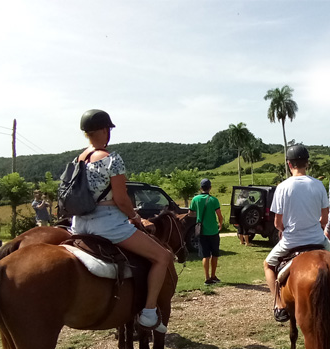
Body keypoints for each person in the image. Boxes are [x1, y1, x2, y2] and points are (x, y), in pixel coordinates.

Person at [69, 109, 173, 333]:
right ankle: (148, 313)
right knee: (162, 256)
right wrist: (137, 219)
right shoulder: (112, 159)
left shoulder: (78, 160)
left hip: (78, 224)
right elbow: (121, 200)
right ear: (106, 130)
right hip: (107, 224)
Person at [263, 144, 330, 322]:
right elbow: (324, 219)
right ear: (306, 164)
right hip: (318, 239)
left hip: (291, 242)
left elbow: (278, 223)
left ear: (289, 164)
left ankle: (279, 304)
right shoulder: (318, 185)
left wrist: (283, 229)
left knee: (268, 265)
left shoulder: (283, 187)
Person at [189, 178, 224, 285]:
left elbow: (190, 213)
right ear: (210, 188)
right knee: (215, 254)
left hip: (201, 231)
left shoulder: (195, 199)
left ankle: (207, 278)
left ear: (201, 188)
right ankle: (213, 276)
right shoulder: (214, 200)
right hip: (213, 230)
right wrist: (220, 224)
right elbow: (219, 216)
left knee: (205, 256)